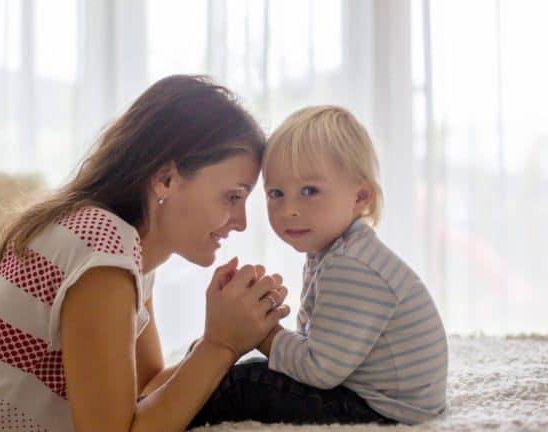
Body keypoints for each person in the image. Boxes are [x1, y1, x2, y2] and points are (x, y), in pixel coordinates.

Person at [0, 75, 292, 432]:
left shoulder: (128, 253)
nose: (240, 222)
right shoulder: (102, 246)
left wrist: (232, 337)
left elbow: (144, 386)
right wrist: (219, 344)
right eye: (232, 196)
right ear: (166, 178)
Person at [189, 105, 448, 428]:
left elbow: (319, 370)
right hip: (377, 394)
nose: (290, 209)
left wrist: (260, 331)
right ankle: (184, 387)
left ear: (360, 197)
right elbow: (317, 340)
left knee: (246, 382)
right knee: (240, 370)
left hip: (383, 408)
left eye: (309, 191)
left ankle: (176, 414)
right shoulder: (335, 252)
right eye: (276, 193)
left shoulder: (351, 265)